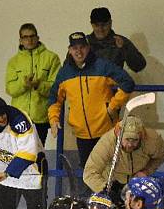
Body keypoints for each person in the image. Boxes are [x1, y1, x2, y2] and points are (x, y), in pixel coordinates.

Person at [48, 32, 135, 168]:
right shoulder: (64, 73)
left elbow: (127, 82)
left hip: (106, 130)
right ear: (69, 50)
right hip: (81, 134)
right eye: (75, 48)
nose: (79, 51)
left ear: (88, 48)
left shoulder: (103, 66)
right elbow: (54, 97)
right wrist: (53, 119)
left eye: (82, 47)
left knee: (111, 171)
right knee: (88, 172)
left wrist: (112, 106)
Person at [82, 115, 164, 205]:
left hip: (138, 185)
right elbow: (89, 173)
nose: (130, 144)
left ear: (141, 136)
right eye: (127, 139)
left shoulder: (152, 140)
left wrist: (146, 171)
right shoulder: (107, 143)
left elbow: (163, 154)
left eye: (135, 140)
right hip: (111, 184)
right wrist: (105, 190)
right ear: (119, 134)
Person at [5, 23, 61, 145]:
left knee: (38, 153)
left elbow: (57, 87)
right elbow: (10, 89)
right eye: (25, 37)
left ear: (37, 38)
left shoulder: (51, 58)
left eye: (32, 36)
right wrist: (24, 84)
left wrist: (38, 85)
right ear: (20, 40)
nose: (29, 40)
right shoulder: (13, 62)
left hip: (41, 117)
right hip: (19, 117)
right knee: (20, 153)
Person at [87, 7, 147, 73]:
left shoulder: (121, 41)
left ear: (110, 23)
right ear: (92, 25)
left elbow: (139, 66)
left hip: (113, 82)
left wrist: (124, 49)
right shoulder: (84, 43)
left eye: (104, 25)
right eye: (97, 25)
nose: (101, 29)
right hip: (89, 82)